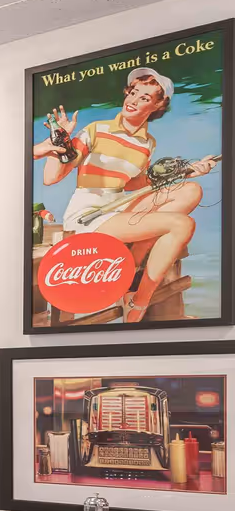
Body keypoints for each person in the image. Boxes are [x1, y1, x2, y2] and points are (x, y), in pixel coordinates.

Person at [34, 66, 221, 323]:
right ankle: (138, 301)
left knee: (191, 190)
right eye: (133, 92)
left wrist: (190, 172)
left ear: (157, 105)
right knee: (182, 224)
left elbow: (136, 184)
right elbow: (51, 177)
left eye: (144, 97)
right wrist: (61, 144)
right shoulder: (96, 129)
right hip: (89, 213)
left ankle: (129, 266)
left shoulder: (147, 143)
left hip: (120, 204)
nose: (133, 100)